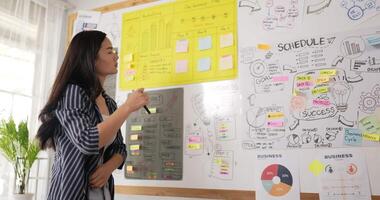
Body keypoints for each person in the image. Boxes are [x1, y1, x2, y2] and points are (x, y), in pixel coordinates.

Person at [36, 30, 149, 200]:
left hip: (102, 194)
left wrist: (107, 168)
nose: (116, 56)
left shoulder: (109, 103)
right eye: (109, 51)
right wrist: (127, 107)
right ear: (90, 58)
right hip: (71, 194)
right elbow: (87, 141)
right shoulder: (72, 93)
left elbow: (120, 148)